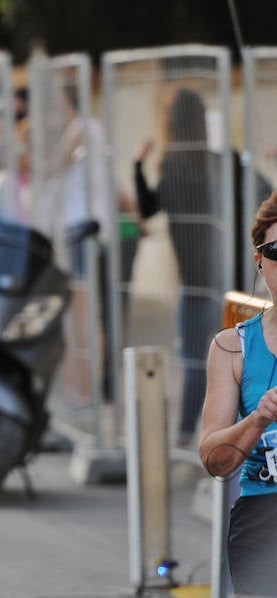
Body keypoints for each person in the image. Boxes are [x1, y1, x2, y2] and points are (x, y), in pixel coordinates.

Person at [199, 190, 277, 597]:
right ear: (259, 260)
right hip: (264, 516)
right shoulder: (232, 347)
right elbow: (214, 461)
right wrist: (258, 418)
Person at [134, 86, 222, 448]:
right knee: (221, 361)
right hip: (221, 276)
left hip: (193, 280)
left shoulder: (172, 166)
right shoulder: (219, 162)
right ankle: (214, 431)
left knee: (193, 362)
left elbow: (149, 208)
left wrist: (137, 166)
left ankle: (190, 434)